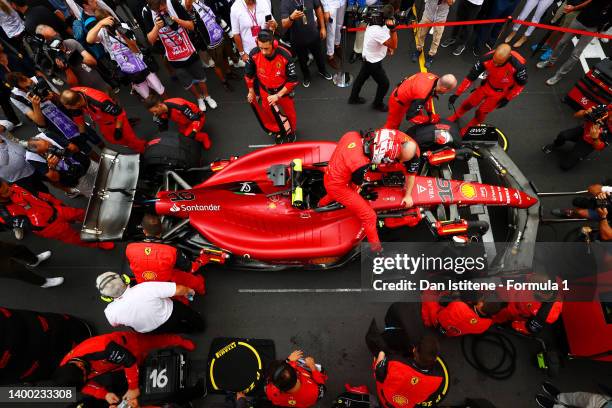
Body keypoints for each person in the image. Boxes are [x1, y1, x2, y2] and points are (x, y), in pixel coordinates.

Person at [319, 129, 420, 252]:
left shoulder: (352, 135)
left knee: (334, 193)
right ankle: (376, 249)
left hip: (332, 173)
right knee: (369, 216)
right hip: (337, 185)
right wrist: (363, 193)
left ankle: (320, 205)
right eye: (386, 156)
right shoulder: (360, 165)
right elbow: (355, 184)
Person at [53, 331, 195, 407]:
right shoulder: (69, 374)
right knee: (141, 364)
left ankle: (178, 340)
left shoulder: (99, 347)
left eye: (85, 377)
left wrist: (133, 387)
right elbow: (85, 386)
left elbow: (128, 361)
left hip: (126, 346)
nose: (85, 380)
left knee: (152, 342)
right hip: (112, 365)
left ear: (79, 365)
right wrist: (104, 395)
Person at [144, 0, 218, 112]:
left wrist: (175, 20)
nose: (162, 11)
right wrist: (156, 28)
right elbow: (150, 40)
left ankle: (207, 96)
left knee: (201, 76)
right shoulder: (147, 13)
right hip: (174, 57)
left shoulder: (173, 3)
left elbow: (192, 26)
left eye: (163, 7)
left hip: (189, 50)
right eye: (158, 10)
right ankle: (199, 98)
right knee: (187, 82)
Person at [0, 178, 114, 249]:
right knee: (76, 238)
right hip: (50, 228)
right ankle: (97, 244)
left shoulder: (15, 186)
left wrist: (59, 204)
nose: (9, 189)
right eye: (5, 191)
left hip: (56, 210)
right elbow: (36, 225)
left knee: (81, 213)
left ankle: (101, 223)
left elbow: (40, 195)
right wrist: (27, 207)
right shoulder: (5, 215)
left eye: (6, 185)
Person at [447, 43, 527, 136]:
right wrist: (457, 94)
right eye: (494, 61)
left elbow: (520, 85)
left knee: (481, 112)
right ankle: (456, 115)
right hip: (486, 85)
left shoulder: (518, 66)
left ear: (508, 57)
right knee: (468, 103)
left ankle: (470, 127)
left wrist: (507, 98)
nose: (496, 64)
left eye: (499, 63)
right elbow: (471, 77)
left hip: (500, 93)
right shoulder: (486, 58)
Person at [86, 9, 166, 99]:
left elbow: (135, 49)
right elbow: (89, 40)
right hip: (127, 68)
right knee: (145, 95)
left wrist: (123, 35)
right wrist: (100, 25)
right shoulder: (102, 32)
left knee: (159, 89)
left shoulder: (123, 26)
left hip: (140, 62)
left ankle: (167, 103)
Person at [8, 74, 99, 151]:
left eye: (31, 83)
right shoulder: (16, 97)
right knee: (84, 148)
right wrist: (36, 106)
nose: (31, 86)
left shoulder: (39, 79)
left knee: (94, 138)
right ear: (20, 89)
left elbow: (62, 99)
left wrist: (53, 97)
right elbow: (40, 123)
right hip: (55, 126)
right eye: (27, 87)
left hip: (69, 115)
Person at [97, 271, 205, 333]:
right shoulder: (145, 288)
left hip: (151, 330)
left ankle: (190, 331)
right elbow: (180, 290)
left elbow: (114, 324)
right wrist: (190, 293)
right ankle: (200, 326)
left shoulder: (109, 312)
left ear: (106, 297)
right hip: (171, 313)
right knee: (190, 315)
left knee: (178, 329)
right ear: (125, 279)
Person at [125, 213, 206, 293]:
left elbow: (131, 265)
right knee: (194, 280)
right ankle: (201, 288)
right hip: (167, 285)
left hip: (143, 286)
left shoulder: (130, 248)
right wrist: (200, 262)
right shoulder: (172, 250)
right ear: (162, 229)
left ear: (144, 231)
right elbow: (189, 268)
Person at [537, 0, 612, 86]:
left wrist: (600, 29)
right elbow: (588, 2)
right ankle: (550, 61)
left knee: (575, 53)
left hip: (592, 28)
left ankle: (559, 75)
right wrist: (574, 8)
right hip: (580, 20)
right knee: (562, 42)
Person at [245, 29, 298, 143]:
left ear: (274, 45)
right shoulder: (254, 54)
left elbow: (292, 80)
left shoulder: (285, 56)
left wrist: (278, 95)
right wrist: (251, 91)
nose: (263, 52)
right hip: (265, 91)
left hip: (283, 92)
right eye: (261, 48)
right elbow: (249, 74)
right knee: (269, 113)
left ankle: (291, 132)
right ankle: (279, 130)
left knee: (289, 114)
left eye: (266, 48)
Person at [60, 87, 147, 153]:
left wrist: (118, 129)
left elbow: (120, 113)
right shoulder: (73, 94)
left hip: (116, 121)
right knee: (113, 139)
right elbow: (78, 117)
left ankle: (144, 150)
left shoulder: (100, 102)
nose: (69, 109)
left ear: (78, 103)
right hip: (102, 122)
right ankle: (132, 146)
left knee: (131, 139)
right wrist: (82, 133)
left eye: (70, 107)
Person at [348, 5, 397, 112]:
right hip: (373, 62)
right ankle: (377, 104)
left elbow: (385, 37)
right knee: (384, 84)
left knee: (361, 78)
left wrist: (387, 46)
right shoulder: (377, 31)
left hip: (368, 57)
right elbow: (394, 45)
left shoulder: (375, 22)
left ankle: (353, 98)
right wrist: (393, 30)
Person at [35, 24, 112, 92]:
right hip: (90, 95)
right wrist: (67, 69)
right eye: (51, 38)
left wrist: (79, 59)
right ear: (46, 43)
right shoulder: (52, 60)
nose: (56, 37)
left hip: (103, 86)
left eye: (55, 33)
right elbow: (74, 86)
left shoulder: (70, 42)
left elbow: (93, 62)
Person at [182, 0, 239, 91]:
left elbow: (212, 14)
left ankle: (228, 72)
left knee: (225, 55)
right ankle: (224, 81)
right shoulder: (186, 5)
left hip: (218, 32)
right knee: (216, 63)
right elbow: (188, 6)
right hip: (208, 40)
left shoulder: (200, 2)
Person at [373, 336, 444, 408]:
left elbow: (378, 374)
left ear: (414, 350)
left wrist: (381, 353)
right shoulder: (437, 380)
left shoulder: (395, 362)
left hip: (385, 399)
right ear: (435, 359)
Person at [26, 132, 98, 197]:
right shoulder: (32, 158)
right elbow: (55, 178)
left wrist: (64, 152)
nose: (49, 149)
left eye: (48, 145)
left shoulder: (47, 135)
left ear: (41, 139)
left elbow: (76, 149)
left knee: (105, 174)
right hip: (74, 178)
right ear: (38, 153)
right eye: (45, 151)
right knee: (94, 194)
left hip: (85, 163)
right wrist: (52, 166)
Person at [281, 0, 333, 88]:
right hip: (298, 38)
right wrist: (291, 17)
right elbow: (284, 24)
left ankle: (322, 70)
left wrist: (323, 27)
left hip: (313, 34)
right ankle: (306, 76)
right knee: (302, 60)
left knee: (319, 55)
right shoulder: (285, 2)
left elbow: (318, 9)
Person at [542, 104, 611, 170]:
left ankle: (579, 154)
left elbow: (599, 147)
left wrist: (595, 138)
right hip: (583, 130)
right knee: (562, 135)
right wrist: (585, 112)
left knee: (565, 166)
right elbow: (576, 115)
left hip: (591, 142)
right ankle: (556, 144)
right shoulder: (604, 108)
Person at [384, 72, 456, 130]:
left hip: (407, 92)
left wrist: (430, 113)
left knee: (420, 113)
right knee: (392, 126)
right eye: (448, 90)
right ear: (443, 88)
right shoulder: (422, 94)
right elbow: (410, 117)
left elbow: (428, 96)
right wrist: (430, 120)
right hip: (398, 102)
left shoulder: (434, 77)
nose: (447, 92)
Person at [144, 94, 211, 149]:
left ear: (160, 106)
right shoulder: (161, 112)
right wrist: (160, 139)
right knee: (181, 136)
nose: (154, 114)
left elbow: (196, 119)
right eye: (152, 112)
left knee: (188, 136)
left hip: (197, 118)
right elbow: (163, 128)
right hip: (183, 121)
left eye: (155, 111)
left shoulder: (179, 106)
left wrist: (194, 131)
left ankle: (204, 136)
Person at [421, 293, 504, 336]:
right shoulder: (486, 324)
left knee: (429, 294)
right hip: (451, 334)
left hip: (438, 321)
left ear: (481, 304)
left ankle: (427, 321)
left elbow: (441, 315)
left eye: (482, 299)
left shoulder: (459, 306)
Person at [0, 120, 49, 193]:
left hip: (30, 160)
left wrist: (2, 127)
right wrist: (1, 143)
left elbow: (9, 124)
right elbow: (3, 161)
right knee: (42, 194)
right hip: (19, 177)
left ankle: (67, 189)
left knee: (53, 177)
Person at [412, 0, 454, 68]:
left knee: (436, 39)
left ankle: (431, 55)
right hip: (428, 14)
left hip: (441, 18)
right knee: (421, 33)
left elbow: (451, 2)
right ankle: (418, 50)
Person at [321, 0, 345, 70]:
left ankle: (337, 45)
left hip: (342, 3)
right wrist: (325, 9)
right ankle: (330, 55)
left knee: (339, 25)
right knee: (331, 30)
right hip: (330, 4)